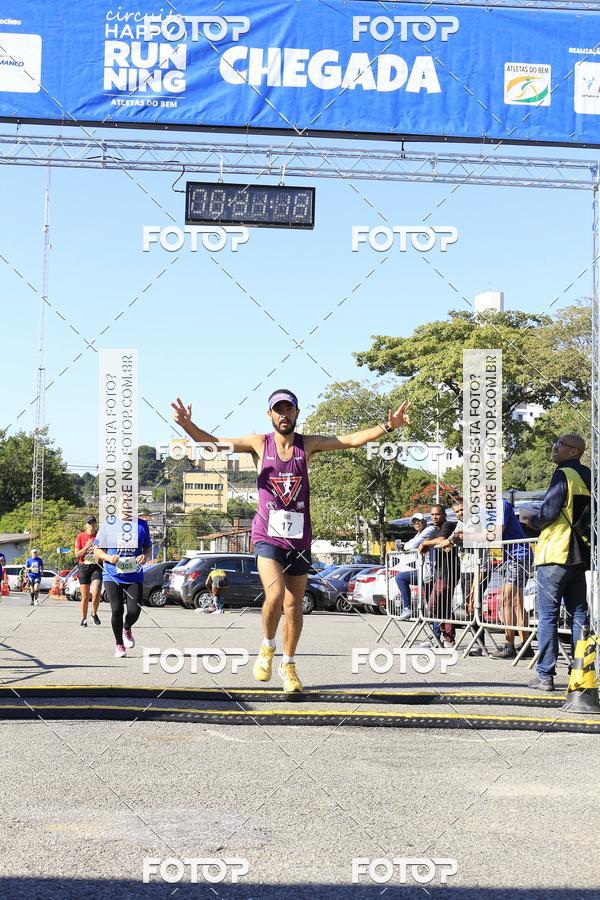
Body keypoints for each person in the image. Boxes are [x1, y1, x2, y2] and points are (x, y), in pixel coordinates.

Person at [172, 389, 411, 692]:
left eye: (289, 409)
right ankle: (267, 645)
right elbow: (215, 444)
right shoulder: (259, 443)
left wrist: (388, 426)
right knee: (274, 595)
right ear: (269, 414)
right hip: (267, 536)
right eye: (278, 410)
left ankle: (288, 664)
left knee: (294, 605)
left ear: (296, 413)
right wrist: (187, 425)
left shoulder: (307, 444)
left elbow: (351, 440)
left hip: (298, 539)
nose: (284, 415)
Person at [519, 434, 591, 692]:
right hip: (580, 554)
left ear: (574, 451)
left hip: (556, 552)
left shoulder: (563, 474)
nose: (555, 447)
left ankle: (545, 675)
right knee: (579, 614)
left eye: (560, 444)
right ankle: (581, 671)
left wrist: (532, 520)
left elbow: (549, 512)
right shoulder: (590, 476)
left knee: (548, 615)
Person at [93, 514, 152, 658]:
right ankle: (119, 644)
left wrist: (145, 556)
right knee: (117, 609)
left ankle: (127, 627)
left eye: (130, 503)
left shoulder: (142, 525)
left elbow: (148, 548)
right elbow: (97, 549)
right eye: (124, 503)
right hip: (112, 574)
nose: (127, 505)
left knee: (134, 610)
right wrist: (108, 557)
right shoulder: (108, 524)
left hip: (134, 574)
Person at [489, 499, 533, 660]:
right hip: (513, 557)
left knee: (506, 600)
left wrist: (470, 535)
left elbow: (496, 531)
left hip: (518, 557)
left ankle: (509, 646)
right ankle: (526, 645)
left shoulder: (500, 504)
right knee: (516, 601)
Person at [418, 501, 461, 648]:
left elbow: (442, 540)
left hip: (449, 571)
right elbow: (432, 544)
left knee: (434, 604)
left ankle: (447, 636)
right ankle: (446, 637)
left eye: (437, 514)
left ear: (444, 514)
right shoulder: (435, 529)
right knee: (443, 606)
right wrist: (426, 545)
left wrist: (426, 543)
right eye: (432, 514)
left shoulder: (448, 525)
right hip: (439, 571)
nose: (434, 517)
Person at [394, 513, 436, 620]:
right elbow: (411, 543)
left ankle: (408, 608)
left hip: (430, 571)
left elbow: (413, 545)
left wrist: (406, 546)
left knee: (400, 578)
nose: (416, 523)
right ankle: (408, 608)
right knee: (431, 605)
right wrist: (404, 546)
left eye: (418, 521)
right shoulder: (418, 534)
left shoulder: (430, 529)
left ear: (424, 521)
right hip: (424, 571)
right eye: (414, 522)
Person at [74, 516, 103, 627]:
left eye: (93, 523)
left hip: (96, 566)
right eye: (89, 523)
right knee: (85, 595)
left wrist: (98, 554)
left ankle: (94, 613)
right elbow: (77, 554)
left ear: (96, 524)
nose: (91, 525)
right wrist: (87, 546)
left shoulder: (100, 536)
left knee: (96, 591)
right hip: (84, 567)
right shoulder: (80, 536)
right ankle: (84, 618)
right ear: (86, 525)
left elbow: (104, 553)